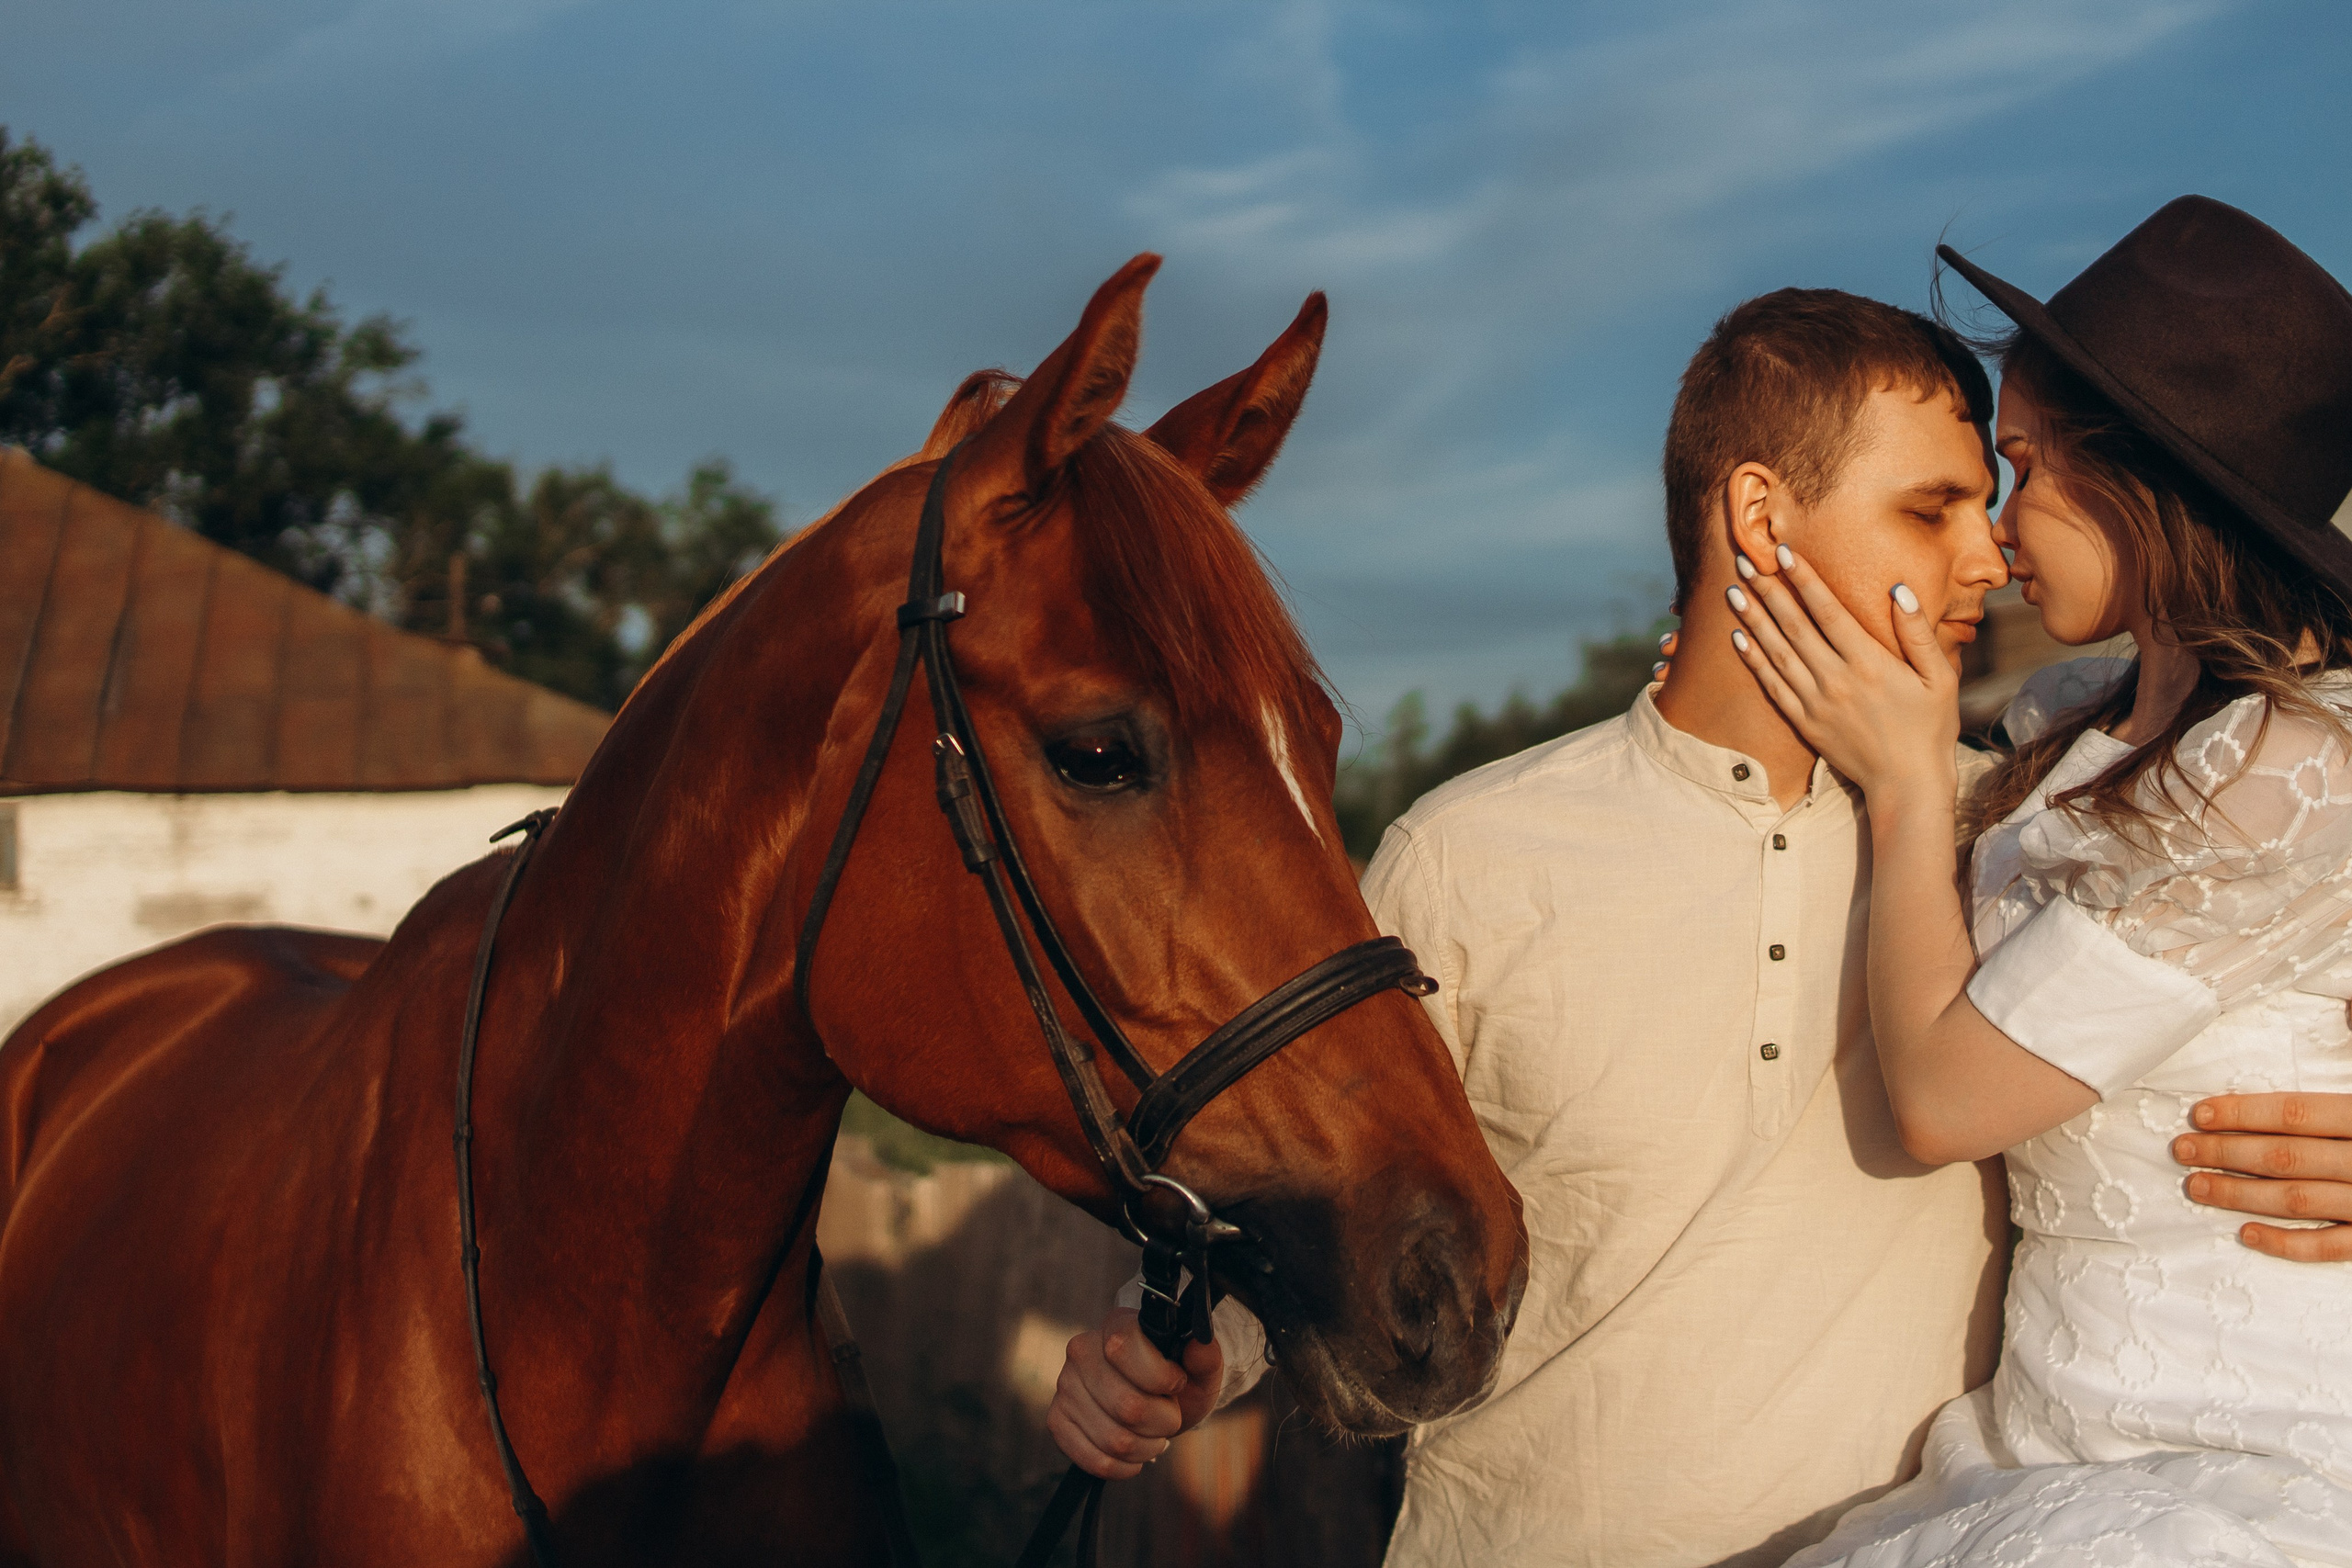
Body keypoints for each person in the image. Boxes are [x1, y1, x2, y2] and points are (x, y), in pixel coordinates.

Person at [1048, 279, 2352, 1567]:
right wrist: (1187, 1350)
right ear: (1759, 514)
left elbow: (2274, 943)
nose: (1987, 556)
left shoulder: (2005, 837)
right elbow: (1322, 1184)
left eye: (1991, 497)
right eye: (1930, 509)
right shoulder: (1470, 855)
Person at [1724, 197, 2352, 1566]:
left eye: (2018, 470)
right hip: (2053, 1421)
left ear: (2139, 476)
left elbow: (1949, 1099)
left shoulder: (2293, 766)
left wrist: (1905, 784)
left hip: (2251, 1440)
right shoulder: (2068, 723)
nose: (1998, 533)